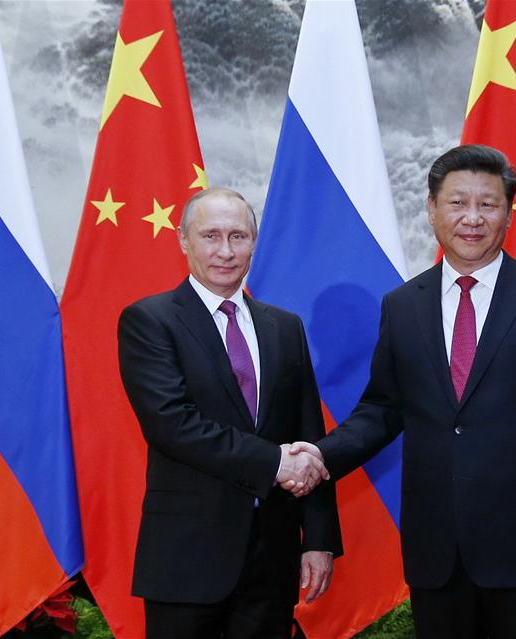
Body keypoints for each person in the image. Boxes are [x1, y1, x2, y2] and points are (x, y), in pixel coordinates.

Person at [289, 145, 516, 638]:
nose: (472, 218)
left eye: (488, 204)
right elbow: (383, 408)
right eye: (458, 203)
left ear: (508, 212)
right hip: (435, 545)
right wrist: (319, 455)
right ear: (432, 209)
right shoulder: (403, 305)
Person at [118, 187, 342, 639]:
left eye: (238, 236)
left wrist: (318, 539)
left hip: (272, 562)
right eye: (211, 236)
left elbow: (308, 437)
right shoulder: (149, 321)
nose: (225, 251)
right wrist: (276, 463)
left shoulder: (285, 327)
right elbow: (173, 425)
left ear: (254, 242)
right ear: (183, 240)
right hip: (187, 561)